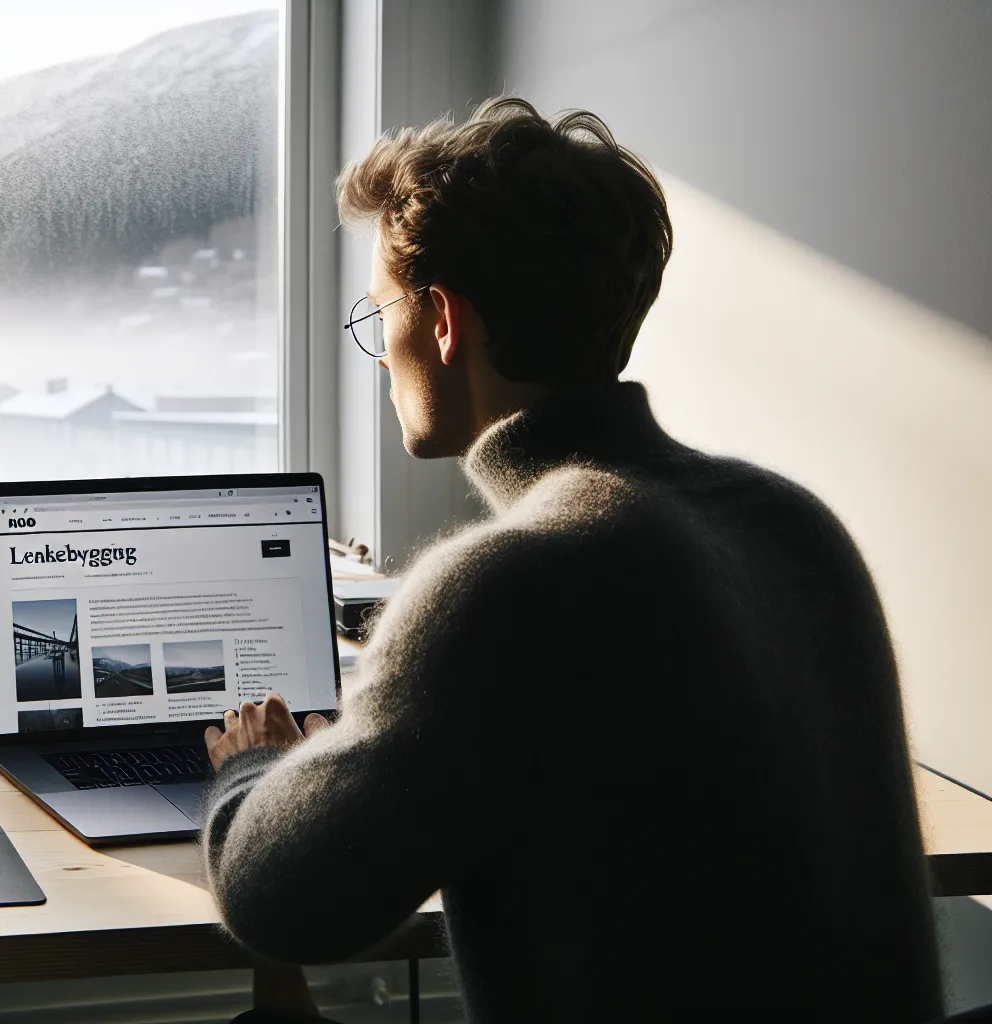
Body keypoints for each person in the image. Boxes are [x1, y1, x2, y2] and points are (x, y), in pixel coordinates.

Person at [202, 96, 942, 1023]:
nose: (379, 353)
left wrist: (254, 771)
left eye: (377, 311)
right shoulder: (794, 524)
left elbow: (284, 907)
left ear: (439, 320)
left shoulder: (513, 580)